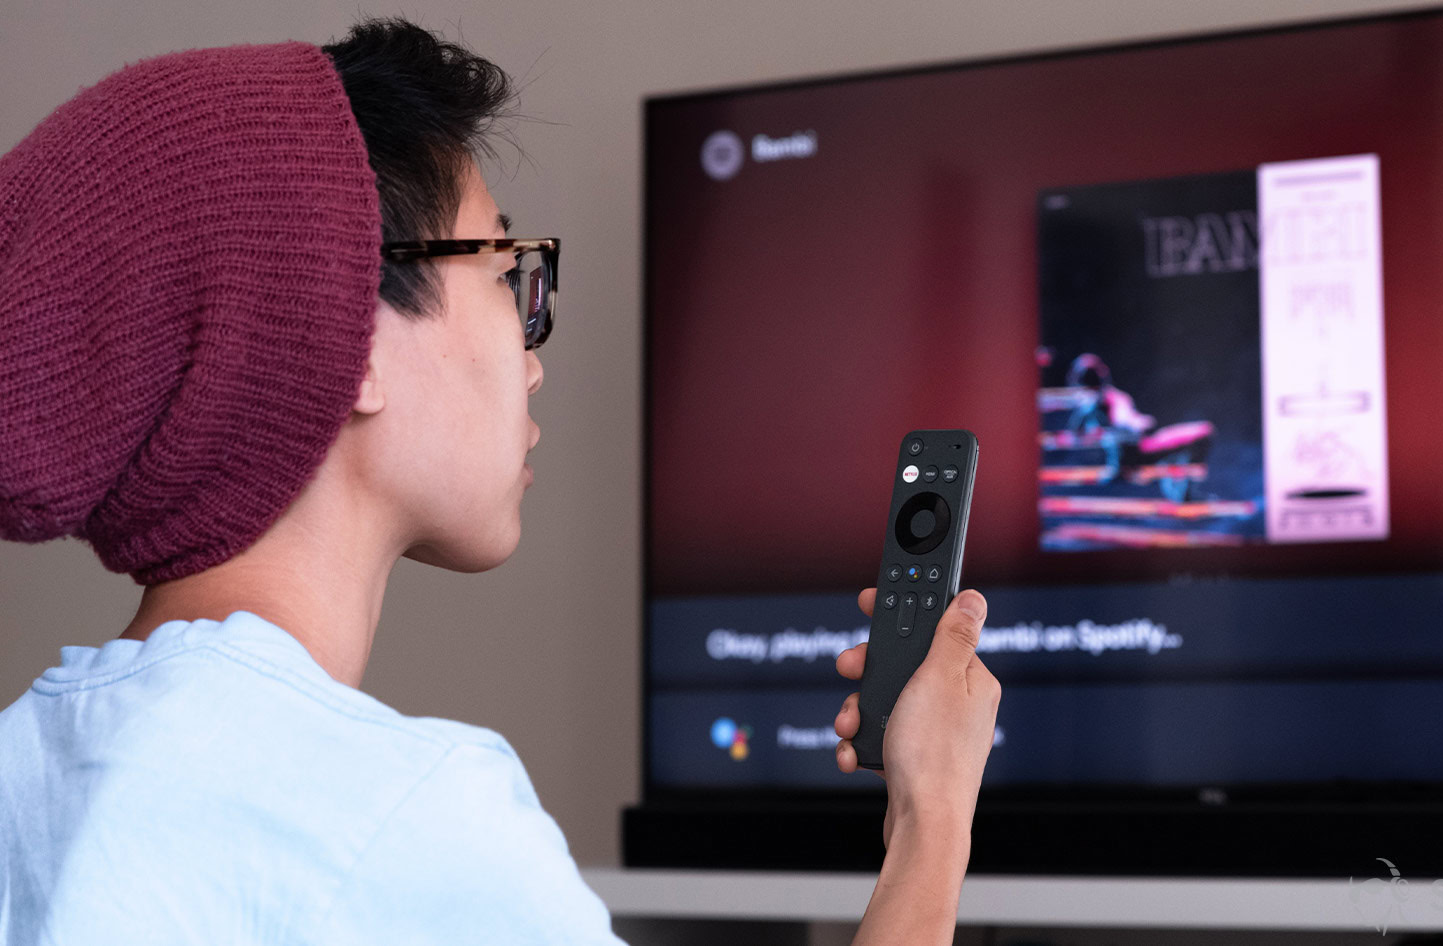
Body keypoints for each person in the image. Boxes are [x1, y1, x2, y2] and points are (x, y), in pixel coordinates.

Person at [0, 17, 1000, 944]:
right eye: (503, 272)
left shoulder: (21, 771)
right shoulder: (405, 816)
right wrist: (932, 817)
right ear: (346, 336)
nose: (532, 358)